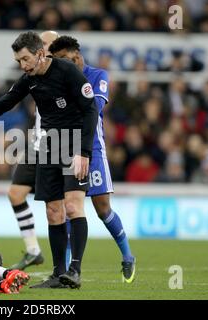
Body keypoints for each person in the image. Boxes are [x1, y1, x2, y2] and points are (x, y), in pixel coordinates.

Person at [0, 31, 99, 289]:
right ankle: (59, 274)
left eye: (25, 59)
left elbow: (90, 110)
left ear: (39, 54)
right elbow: (2, 103)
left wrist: (84, 152)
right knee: (53, 210)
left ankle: (75, 270)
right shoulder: (29, 79)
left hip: (74, 141)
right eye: (18, 62)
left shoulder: (67, 71)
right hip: (50, 143)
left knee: (72, 206)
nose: (22, 66)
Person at [49, 35, 136, 283]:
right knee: (69, 209)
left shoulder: (98, 75)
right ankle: (67, 270)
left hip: (92, 150)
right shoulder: (60, 80)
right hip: (66, 149)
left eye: (64, 59)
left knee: (102, 208)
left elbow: (95, 107)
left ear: (77, 56)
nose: (60, 65)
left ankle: (127, 255)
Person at [8, 30, 59, 271]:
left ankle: (66, 262)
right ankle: (33, 250)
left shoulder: (64, 73)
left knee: (57, 207)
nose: (45, 46)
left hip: (59, 145)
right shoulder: (33, 74)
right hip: (36, 144)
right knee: (16, 194)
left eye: (48, 43)